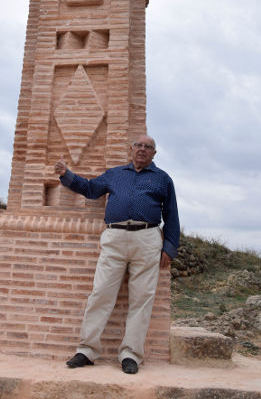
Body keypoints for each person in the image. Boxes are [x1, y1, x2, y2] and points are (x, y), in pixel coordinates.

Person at [54, 134, 179, 374]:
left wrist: (169, 247)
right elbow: (91, 189)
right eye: (138, 145)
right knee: (101, 293)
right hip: (115, 237)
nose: (142, 149)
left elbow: (171, 215)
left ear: (154, 154)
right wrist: (66, 175)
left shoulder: (163, 180)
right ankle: (86, 350)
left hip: (148, 239)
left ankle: (131, 354)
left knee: (141, 299)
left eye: (148, 147)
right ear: (130, 149)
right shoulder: (114, 174)